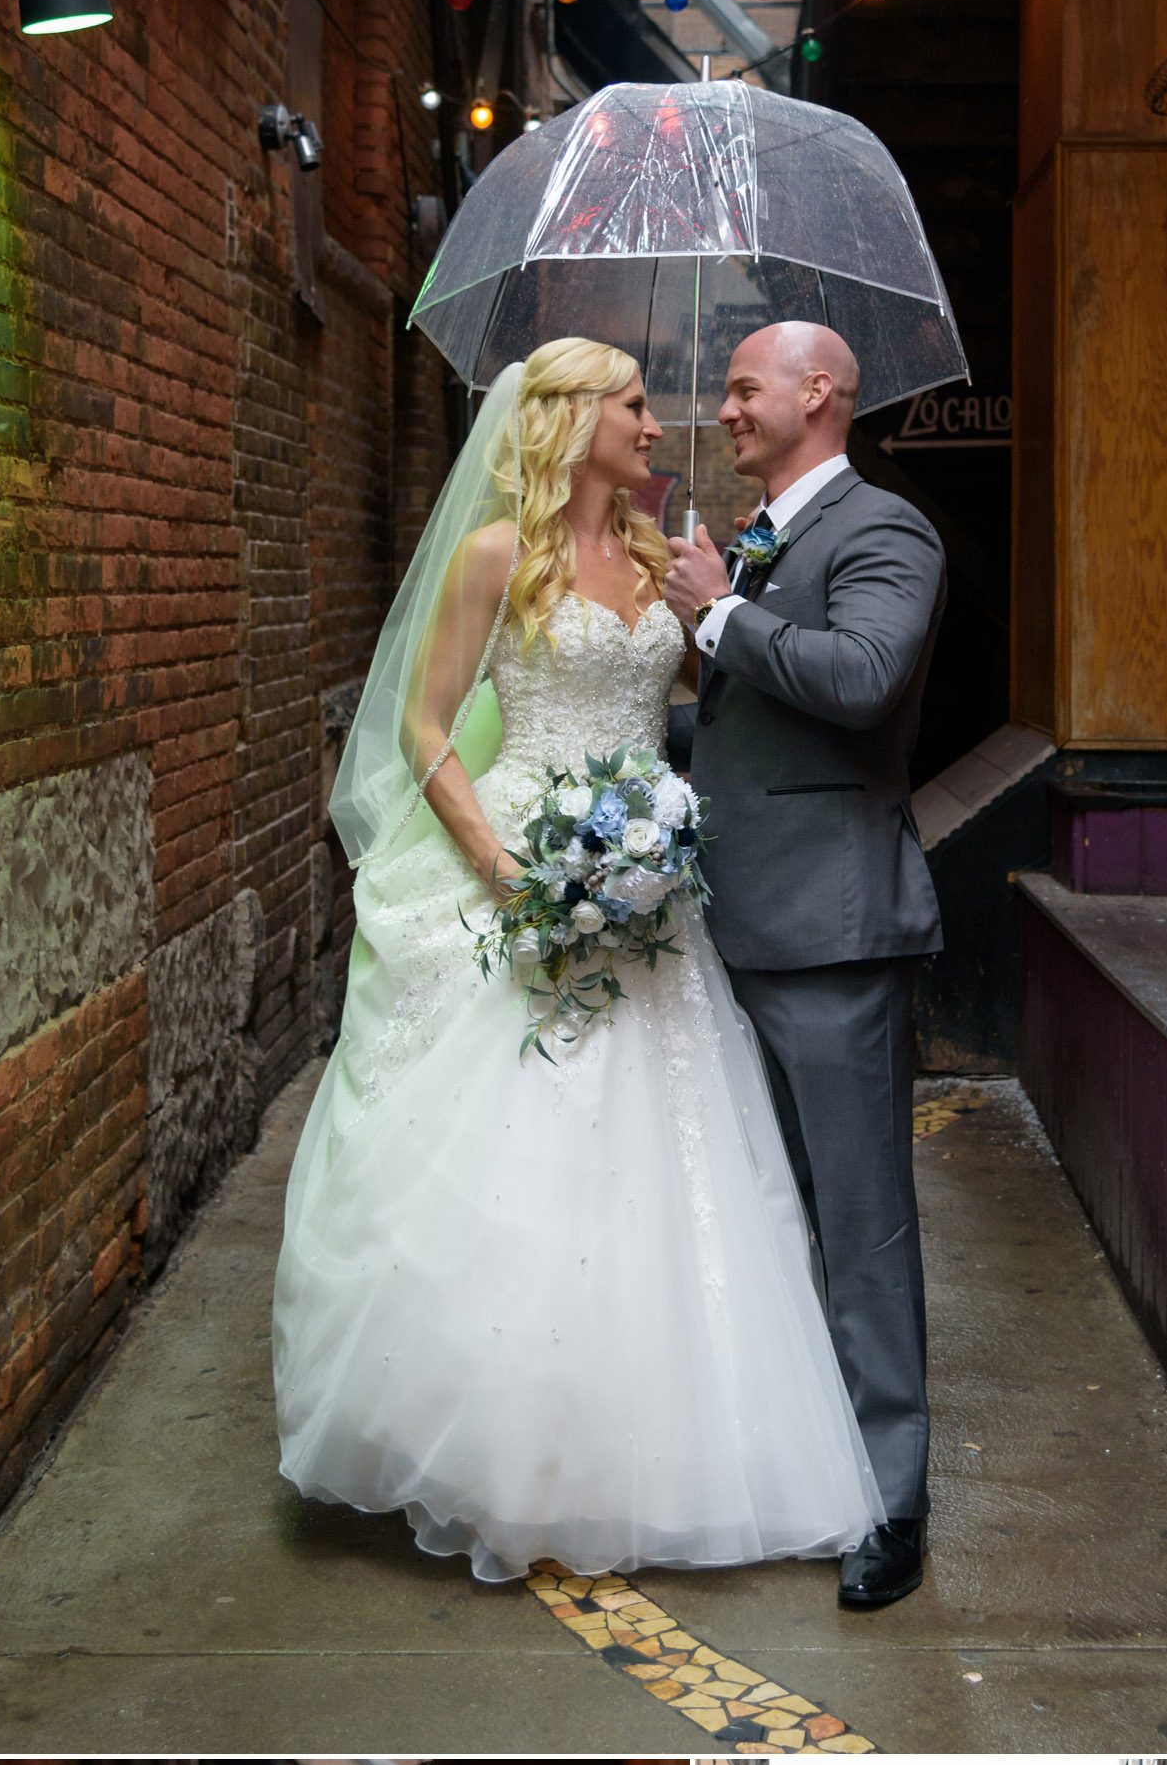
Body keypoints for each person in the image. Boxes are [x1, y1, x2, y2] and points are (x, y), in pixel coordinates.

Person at [272, 336, 882, 1583]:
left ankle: (654, 1443)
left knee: (671, 1165)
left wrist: (720, 624)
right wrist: (505, 866)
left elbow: (708, 701)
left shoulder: (665, 559)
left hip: (652, 896)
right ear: (566, 419)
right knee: (517, 1154)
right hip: (522, 869)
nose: (659, 426)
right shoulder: (497, 557)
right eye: (636, 405)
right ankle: (506, 1448)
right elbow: (425, 728)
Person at [666, 318, 946, 1619]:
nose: (722, 410)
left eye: (741, 388)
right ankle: (808, 1458)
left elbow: (864, 678)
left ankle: (892, 1497)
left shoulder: (887, 529)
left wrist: (721, 614)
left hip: (836, 931)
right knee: (778, 1221)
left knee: (863, 1225)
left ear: (818, 392)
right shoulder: (769, 535)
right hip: (740, 923)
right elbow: (746, 712)